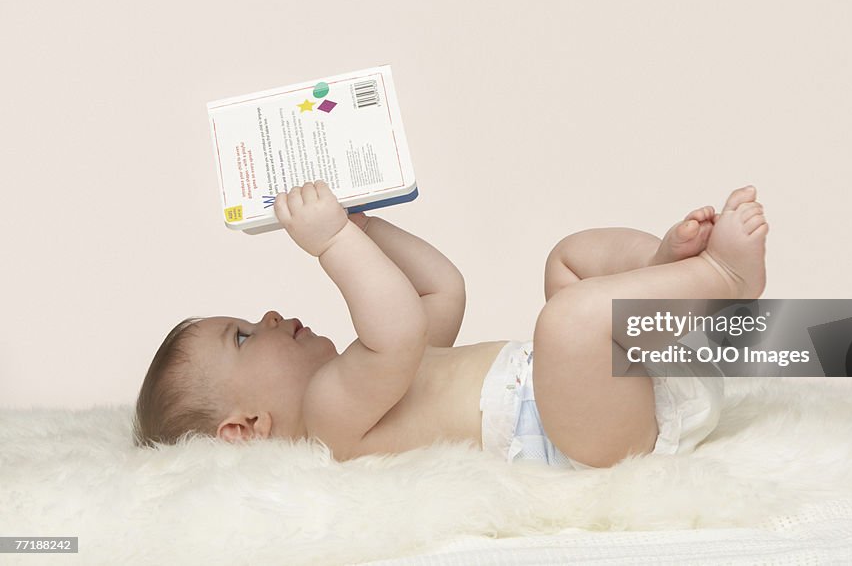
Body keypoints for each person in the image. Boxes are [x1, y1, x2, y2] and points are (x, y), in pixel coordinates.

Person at [133, 182, 767, 470]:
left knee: (567, 260)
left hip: (609, 388)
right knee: (566, 321)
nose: (268, 315)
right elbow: (402, 324)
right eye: (243, 336)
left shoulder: (373, 378)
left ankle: (660, 279)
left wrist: (362, 225)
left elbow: (440, 288)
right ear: (246, 430)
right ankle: (721, 282)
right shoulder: (329, 418)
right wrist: (331, 242)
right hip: (591, 439)